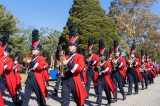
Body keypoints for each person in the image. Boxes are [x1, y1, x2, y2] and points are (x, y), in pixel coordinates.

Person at [61, 25, 87, 106]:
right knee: (64, 100)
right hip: (65, 79)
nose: (69, 47)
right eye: (69, 45)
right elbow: (61, 68)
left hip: (74, 79)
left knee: (78, 101)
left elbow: (79, 69)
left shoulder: (79, 56)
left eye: (71, 45)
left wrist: (68, 63)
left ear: (75, 47)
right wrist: (61, 67)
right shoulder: (65, 56)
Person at [22, 29, 48, 106]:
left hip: (36, 79)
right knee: (26, 97)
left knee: (40, 97)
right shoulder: (30, 57)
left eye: (34, 49)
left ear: (38, 51)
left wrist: (31, 62)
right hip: (29, 78)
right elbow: (26, 68)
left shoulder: (41, 58)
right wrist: (24, 63)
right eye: (32, 49)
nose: (32, 51)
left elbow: (39, 67)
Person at [95, 39, 115, 106]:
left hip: (105, 78)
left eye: (102, 56)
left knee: (107, 91)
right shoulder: (98, 62)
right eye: (100, 56)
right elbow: (95, 69)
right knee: (99, 91)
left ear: (104, 56)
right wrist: (97, 68)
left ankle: (109, 101)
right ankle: (99, 102)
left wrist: (102, 66)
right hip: (99, 78)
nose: (100, 57)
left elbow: (108, 70)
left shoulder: (107, 62)